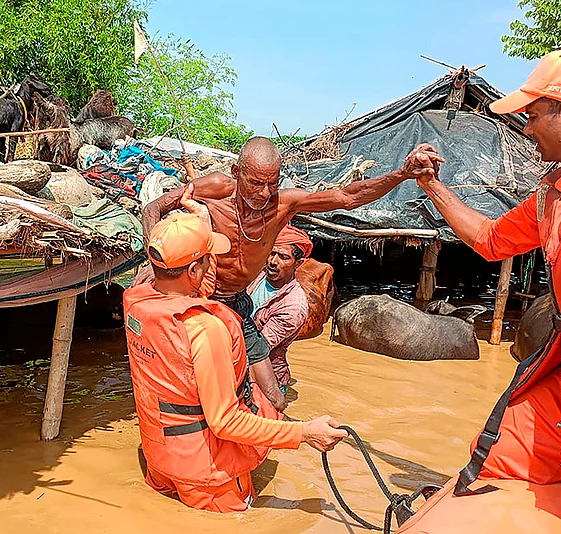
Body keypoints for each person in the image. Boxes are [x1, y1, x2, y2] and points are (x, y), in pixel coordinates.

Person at [411, 49, 561, 531]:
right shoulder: (552, 195)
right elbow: (489, 239)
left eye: (534, 114)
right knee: (491, 460)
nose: (526, 127)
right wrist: (432, 186)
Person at [139, 137, 441, 404]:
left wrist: (402, 174)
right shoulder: (216, 188)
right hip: (199, 302)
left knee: (274, 399)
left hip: (237, 304)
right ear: (236, 174)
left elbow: (348, 197)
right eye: (256, 183)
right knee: (192, 388)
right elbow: (152, 208)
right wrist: (159, 267)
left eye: (273, 183)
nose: (264, 192)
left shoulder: (284, 203)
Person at [122, 212, 347, 513]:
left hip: (159, 457)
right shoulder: (205, 328)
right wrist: (304, 433)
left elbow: (188, 288)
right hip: (207, 476)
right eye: (207, 259)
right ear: (193, 270)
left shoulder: (137, 300)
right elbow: (226, 421)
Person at [247, 225, 311, 395]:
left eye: (283, 257)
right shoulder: (257, 275)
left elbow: (260, 347)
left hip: (268, 380)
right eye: (272, 253)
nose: (273, 262)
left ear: (298, 263)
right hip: (242, 363)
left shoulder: (293, 307)